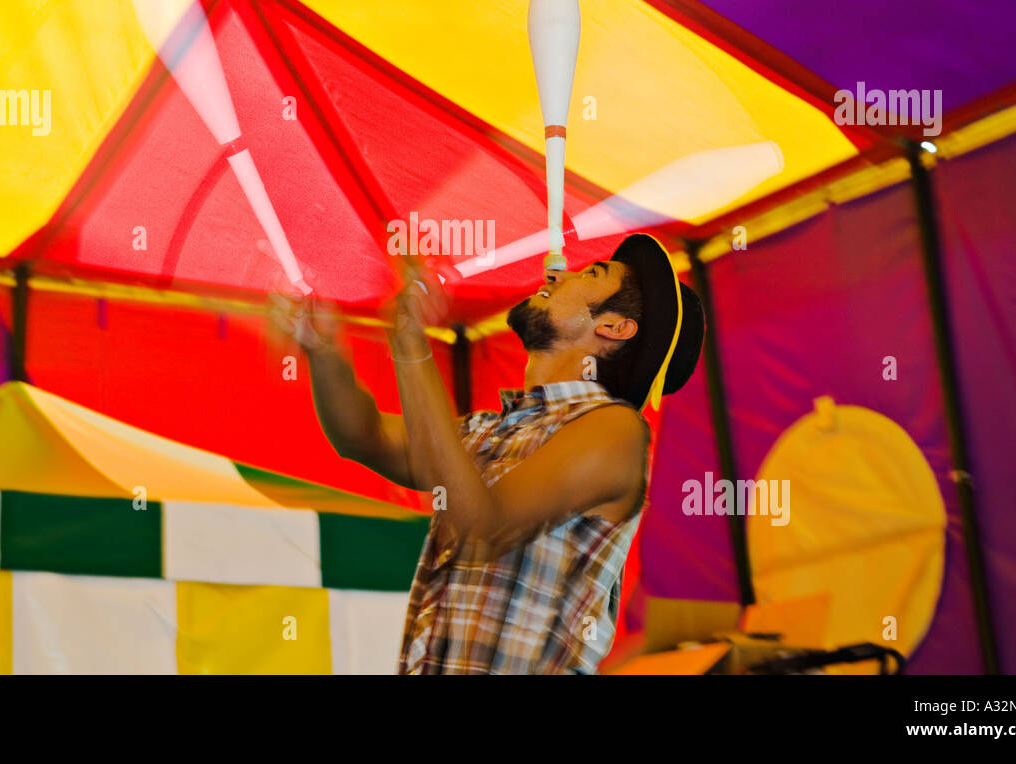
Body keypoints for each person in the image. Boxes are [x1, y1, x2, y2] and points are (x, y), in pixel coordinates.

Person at [270, 233, 703, 674]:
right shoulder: (490, 430)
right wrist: (322, 350)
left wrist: (411, 345)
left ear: (612, 327)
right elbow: (364, 437)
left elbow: (484, 527)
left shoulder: (616, 431)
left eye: (591, 274)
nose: (556, 273)